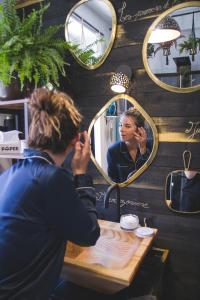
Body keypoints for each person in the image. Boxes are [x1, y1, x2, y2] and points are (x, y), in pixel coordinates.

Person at [0, 88, 100, 299]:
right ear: (75, 140)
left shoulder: (10, 174)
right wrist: (81, 173)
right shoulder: (51, 178)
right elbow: (89, 234)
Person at [107, 108, 151, 183]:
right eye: (120, 125)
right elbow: (112, 180)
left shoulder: (151, 146)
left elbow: (150, 175)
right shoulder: (113, 151)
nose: (121, 129)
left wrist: (143, 149)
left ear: (139, 129)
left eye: (127, 126)